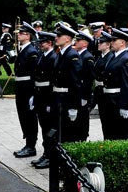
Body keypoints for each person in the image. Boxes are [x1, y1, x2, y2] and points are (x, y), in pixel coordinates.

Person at [100, 28, 128, 140]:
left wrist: (124, 106)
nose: (111, 42)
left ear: (122, 42)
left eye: (114, 40)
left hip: (117, 101)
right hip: (109, 100)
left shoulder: (126, 59)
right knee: (109, 132)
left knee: (119, 133)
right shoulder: (113, 56)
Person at [30, 31, 58, 169]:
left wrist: (50, 102)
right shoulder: (43, 56)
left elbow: (52, 82)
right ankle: (46, 153)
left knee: (49, 128)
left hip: (47, 96)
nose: (41, 44)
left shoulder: (53, 57)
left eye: (43, 42)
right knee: (43, 126)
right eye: (40, 42)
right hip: (40, 95)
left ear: (50, 43)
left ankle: (50, 155)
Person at [51, 22, 82, 143]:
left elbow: (76, 83)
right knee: (58, 131)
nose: (56, 38)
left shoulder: (72, 55)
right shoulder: (61, 54)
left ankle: (64, 160)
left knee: (67, 133)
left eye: (59, 36)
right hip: (58, 98)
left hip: (67, 100)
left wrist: (74, 107)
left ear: (68, 39)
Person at [13, 22, 40, 158]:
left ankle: (31, 145)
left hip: (28, 89)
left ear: (28, 35)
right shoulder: (24, 49)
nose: (19, 35)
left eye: (22, 33)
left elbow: (35, 74)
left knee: (29, 117)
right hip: (21, 88)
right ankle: (28, 143)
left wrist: (33, 94)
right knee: (23, 116)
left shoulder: (32, 51)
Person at [74, 30, 96, 141]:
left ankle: (82, 139)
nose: (75, 42)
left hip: (82, 94)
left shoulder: (88, 57)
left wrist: (85, 97)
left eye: (78, 40)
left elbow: (89, 79)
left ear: (84, 43)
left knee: (82, 120)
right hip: (76, 93)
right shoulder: (77, 55)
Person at [92, 32, 114, 138]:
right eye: (98, 42)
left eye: (101, 42)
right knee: (103, 120)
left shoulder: (111, 57)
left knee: (109, 121)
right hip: (99, 91)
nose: (98, 44)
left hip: (106, 92)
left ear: (108, 45)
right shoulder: (99, 57)